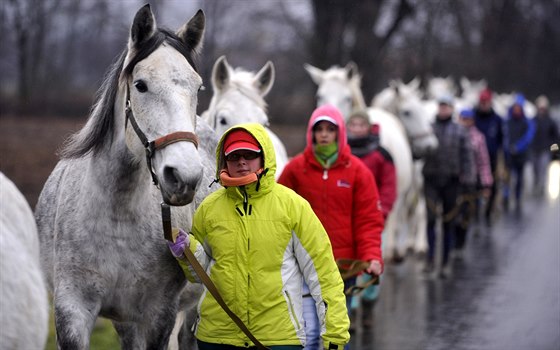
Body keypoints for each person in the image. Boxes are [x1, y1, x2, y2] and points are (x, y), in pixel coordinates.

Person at [168, 123, 350, 350]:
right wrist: (188, 252)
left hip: (278, 339)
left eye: (250, 155)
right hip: (217, 338)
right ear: (224, 162)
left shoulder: (293, 206)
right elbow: (201, 274)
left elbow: (324, 274)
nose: (242, 161)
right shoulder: (208, 208)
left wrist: (335, 332)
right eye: (234, 156)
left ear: (264, 156)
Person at [278, 105, 384, 348]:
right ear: (311, 133)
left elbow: (368, 220)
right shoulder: (295, 169)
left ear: (339, 133)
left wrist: (371, 256)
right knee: (309, 331)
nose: (324, 134)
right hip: (303, 264)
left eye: (330, 129)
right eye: (319, 129)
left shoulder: (358, 172)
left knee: (335, 332)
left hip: (342, 267)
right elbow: (279, 214)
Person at [346, 109, 396, 328]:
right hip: (347, 220)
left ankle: (368, 304)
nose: (356, 129)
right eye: (353, 125)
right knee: (352, 267)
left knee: (372, 263)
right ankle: (352, 310)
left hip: (372, 219)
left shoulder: (381, 154)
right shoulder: (342, 152)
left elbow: (389, 186)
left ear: (368, 127)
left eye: (360, 125)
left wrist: (382, 211)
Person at [422, 96, 475, 278]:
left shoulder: (460, 131)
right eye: (441, 107)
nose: (443, 110)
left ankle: (444, 261)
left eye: (446, 107)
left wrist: (469, 182)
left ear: (452, 109)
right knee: (429, 220)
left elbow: (468, 157)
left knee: (448, 221)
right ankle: (430, 259)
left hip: (451, 181)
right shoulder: (428, 129)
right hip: (431, 179)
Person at [456, 108, 493, 255]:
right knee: (453, 213)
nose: (465, 122)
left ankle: (461, 242)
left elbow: (483, 162)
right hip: (453, 180)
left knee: (465, 213)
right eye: (462, 119)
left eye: (468, 119)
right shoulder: (454, 134)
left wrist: (486, 183)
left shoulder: (478, 138)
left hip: (470, 181)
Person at [474, 88, 504, 226]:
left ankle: (488, 212)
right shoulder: (474, 117)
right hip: (474, 158)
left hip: (492, 157)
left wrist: (502, 160)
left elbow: (502, 139)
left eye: (486, 102)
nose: (484, 105)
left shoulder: (497, 119)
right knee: (474, 186)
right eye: (482, 102)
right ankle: (475, 212)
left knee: (492, 186)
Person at [503, 94, 535, 211]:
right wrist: (507, 147)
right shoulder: (507, 121)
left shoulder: (526, 122)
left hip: (521, 155)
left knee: (519, 177)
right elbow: (504, 135)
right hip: (509, 154)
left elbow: (528, 137)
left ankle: (517, 196)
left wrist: (518, 147)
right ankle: (506, 195)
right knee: (507, 176)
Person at [530, 95, 559, 196]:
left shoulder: (550, 121)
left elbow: (555, 137)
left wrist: (554, 151)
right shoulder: (533, 120)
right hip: (534, 149)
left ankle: (542, 186)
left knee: (543, 168)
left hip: (545, 149)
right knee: (535, 168)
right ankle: (536, 182)